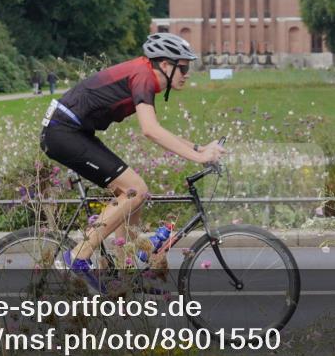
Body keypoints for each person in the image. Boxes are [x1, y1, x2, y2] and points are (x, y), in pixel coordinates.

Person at [40, 33, 225, 290]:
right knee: (135, 190)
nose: (187, 73)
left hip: (74, 132)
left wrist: (198, 147)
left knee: (132, 195)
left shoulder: (143, 74)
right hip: (63, 132)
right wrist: (199, 157)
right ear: (165, 65)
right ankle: (78, 256)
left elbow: (155, 128)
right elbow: (150, 130)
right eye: (183, 66)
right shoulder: (143, 76)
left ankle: (123, 270)